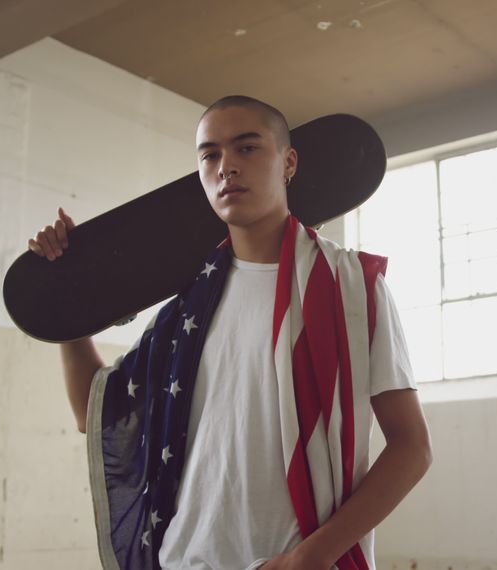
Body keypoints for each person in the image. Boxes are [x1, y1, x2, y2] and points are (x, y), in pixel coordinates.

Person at [28, 96, 431, 570]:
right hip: (186, 559)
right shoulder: (185, 311)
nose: (226, 168)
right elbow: (90, 411)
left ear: (289, 162)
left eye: (247, 148)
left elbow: (412, 447)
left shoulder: (352, 286)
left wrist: (311, 555)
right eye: (210, 155)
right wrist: (64, 300)